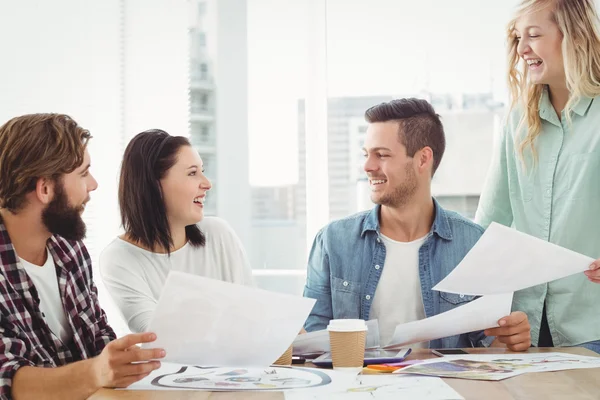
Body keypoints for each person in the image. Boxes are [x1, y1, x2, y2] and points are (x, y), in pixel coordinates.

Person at [303, 98, 531, 351]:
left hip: (446, 387)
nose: (367, 166)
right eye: (366, 155)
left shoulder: (474, 245)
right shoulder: (333, 241)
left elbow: (491, 344)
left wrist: (511, 337)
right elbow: (314, 343)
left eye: (382, 155)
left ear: (423, 159)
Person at [0, 114, 165, 399]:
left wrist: (122, 361)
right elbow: (9, 381)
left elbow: (97, 335)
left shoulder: (68, 249)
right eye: (83, 173)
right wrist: (97, 372)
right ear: (45, 189)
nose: (94, 185)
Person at [475, 0, 600, 353]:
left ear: (574, 37)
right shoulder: (518, 120)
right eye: (517, 38)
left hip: (592, 322)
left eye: (533, 35)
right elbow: (489, 221)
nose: (522, 48)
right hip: (525, 325)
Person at [100, 129, 253, 334]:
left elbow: (252, 318)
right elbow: (158, 338)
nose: (207, 184)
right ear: (153, 185)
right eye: (192, 173)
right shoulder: (119, 258)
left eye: (202, 171)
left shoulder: (218, 234)